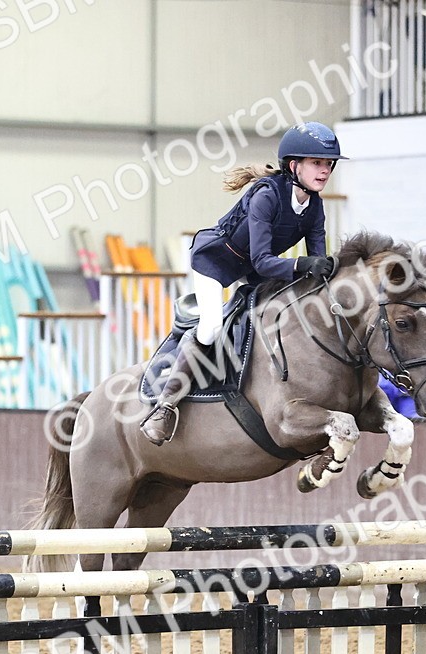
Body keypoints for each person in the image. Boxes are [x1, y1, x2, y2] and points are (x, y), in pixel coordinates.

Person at [139, 121, 347, 446]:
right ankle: (164, 407)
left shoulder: (315, 205)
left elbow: (315, 263)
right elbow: (264, 260)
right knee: (211, 326)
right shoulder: (267, 196)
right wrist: (303, 264)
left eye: (328, 164)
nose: (325, 171)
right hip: (217, 260)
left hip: (252, 267)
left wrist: (327, 274)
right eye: (317, 163)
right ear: (294, 166)